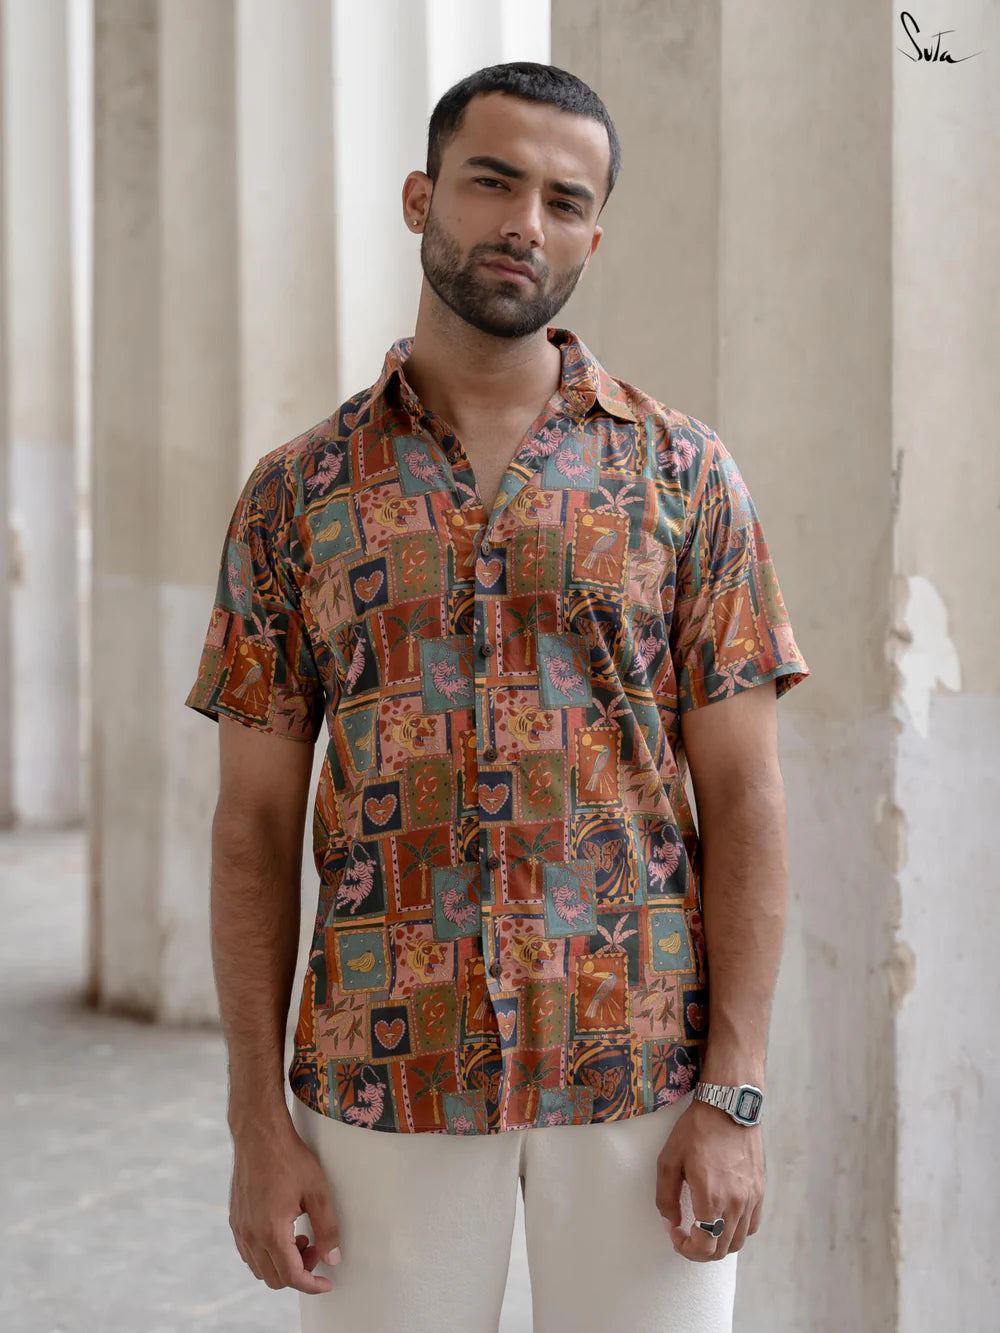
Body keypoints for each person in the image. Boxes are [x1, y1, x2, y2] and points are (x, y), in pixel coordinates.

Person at [185, 61, 809, 1333]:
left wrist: (734, 1095)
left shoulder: (684, 479)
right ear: (422, 197)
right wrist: (258, 1121)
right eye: (493, 180)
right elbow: (251, 829)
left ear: (591, 233)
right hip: (383, 1073)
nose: (526, 220)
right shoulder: (295, 497)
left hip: (638, 1071)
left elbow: (745, 795)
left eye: (564, 198)